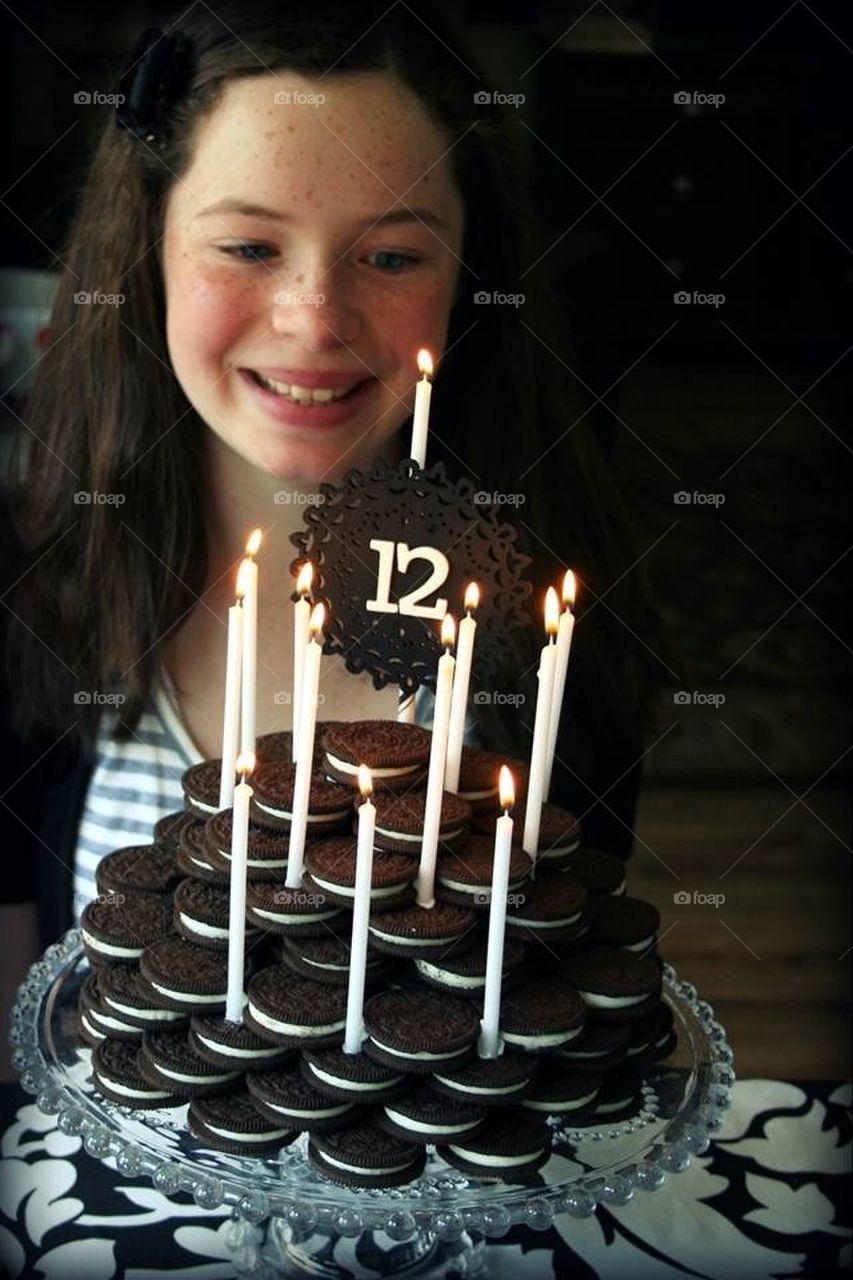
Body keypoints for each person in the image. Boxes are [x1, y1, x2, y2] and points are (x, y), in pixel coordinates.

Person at [0, 0, 666, 1078]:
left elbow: (535, 1027)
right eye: (248, 245)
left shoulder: (546, 640)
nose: (314, 318)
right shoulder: (31, 592)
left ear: (468, 277)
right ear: (145, 252)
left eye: (392, 256)